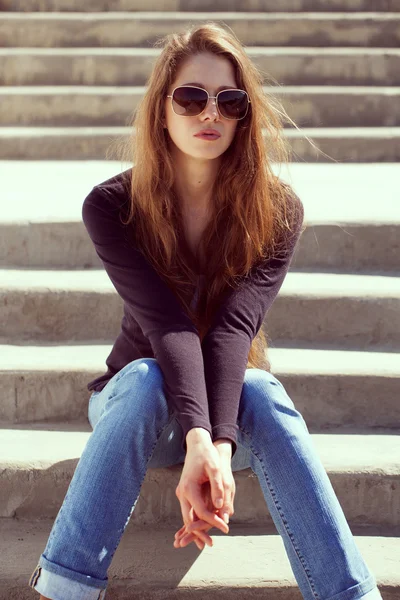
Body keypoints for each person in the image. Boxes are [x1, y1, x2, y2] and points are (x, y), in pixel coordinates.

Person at [29, 22, 382, 600]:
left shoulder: (277, 211)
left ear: (244, 114)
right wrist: (195, 438)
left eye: (229, 100)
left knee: (263, 390)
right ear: (160, 109)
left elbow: (233, 329)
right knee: (143, 378)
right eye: (191, 97)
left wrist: (216, 447)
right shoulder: (113, 206)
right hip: (139, 412)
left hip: (225, 422)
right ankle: (64, 587)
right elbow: (166, 325)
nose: (208, 113)